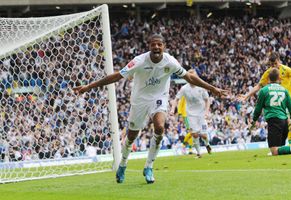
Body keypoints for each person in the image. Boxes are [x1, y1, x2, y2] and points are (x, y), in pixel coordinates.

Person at [73, 34, 229, 184]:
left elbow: (189, 77)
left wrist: (212, 88)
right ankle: (123, 163)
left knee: (160, 127)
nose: (156, 47)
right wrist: (89, 86)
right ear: (149, 46)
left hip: (159, 98)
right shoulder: (139, 61)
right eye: (153, 44)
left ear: (164, 47)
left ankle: (148, 167)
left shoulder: (170, 61)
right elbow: (117, 76)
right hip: (139, 100)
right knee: (132, 135)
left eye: (159, 44)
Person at [238, 52, 291, 145]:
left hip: (288, 99)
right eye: (271, 64)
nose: (274, 66)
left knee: (289, 120)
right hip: (277, 102)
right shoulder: (268, 73)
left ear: (279, 60)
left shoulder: (286, 70)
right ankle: (280, 144)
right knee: (279, 123)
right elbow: (259, 85)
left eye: (275, 63)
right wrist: (246, 96)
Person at [251, 68, 291, 156]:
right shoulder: (284, 90)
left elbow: (258, 109)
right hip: (284, 122)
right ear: (279, 78)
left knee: (274, 151)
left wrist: (254, 121)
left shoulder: (264, 90)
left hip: (274, 120)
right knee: (279, 149)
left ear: (268, 78)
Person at [170, 69, 212, 158]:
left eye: (194, 76)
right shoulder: (184, 88)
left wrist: (207, 112)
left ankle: (207, 144)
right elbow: (176, 99)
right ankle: (199, 153)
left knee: (204, 135)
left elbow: (207, 100)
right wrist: (172, 109)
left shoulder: (201, 87)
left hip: (201, 114)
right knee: (194, 134)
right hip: (191, 114)